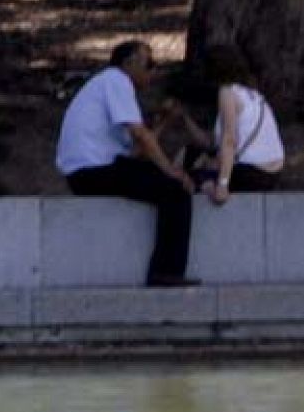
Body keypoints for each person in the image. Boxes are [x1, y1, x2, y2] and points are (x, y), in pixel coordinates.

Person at [55, 40, 200, 288]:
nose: (153, 72)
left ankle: (165, 271)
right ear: (129, 63)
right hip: (93, 171)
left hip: (88, 172)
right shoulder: (116, 80)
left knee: (162, 180)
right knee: (175, 192)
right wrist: (172, 172)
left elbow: (136, 151)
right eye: (149, 64)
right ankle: (166, 271)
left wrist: (164, 121)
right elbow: (140, 135)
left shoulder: (107, 87)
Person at [167, 44, 284, 204]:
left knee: (184, 178)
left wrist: (223, 184)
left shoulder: (227, 93)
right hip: (270, 172)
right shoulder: (253, 95)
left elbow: (229, 140)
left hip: (251, 172)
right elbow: (211, 143)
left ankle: (208, 187)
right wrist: (185, 118)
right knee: (191, 153)